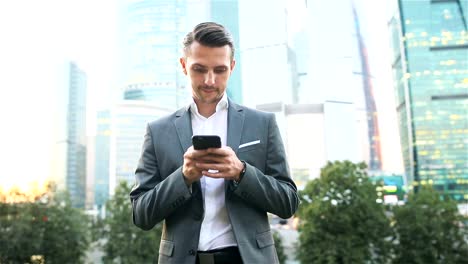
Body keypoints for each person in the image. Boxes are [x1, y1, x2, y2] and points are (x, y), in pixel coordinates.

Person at [130, 22, 299, 264]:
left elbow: (288, 203)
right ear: (183, 66)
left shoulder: (262, 124)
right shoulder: (158, 131)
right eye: (199, 69)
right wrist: (184, 177)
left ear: (232, 67)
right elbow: (141, 214)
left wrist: (241, 172)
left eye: (219, 70)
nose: (209, 80)